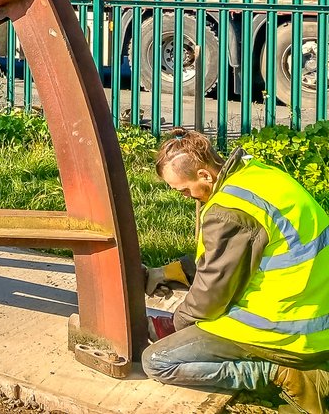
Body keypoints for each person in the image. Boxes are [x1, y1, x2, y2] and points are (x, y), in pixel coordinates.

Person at [141, 129, 329, 413]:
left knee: (157, 361)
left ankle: (279, 373)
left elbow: (212, 295)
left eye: (182, 189)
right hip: (315, 313)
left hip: (285, 332)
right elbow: (236, 254)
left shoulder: (227, 211)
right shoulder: (256, 175)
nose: (184, 196)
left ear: (204, 176)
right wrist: (168, 272)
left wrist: (177, 324)